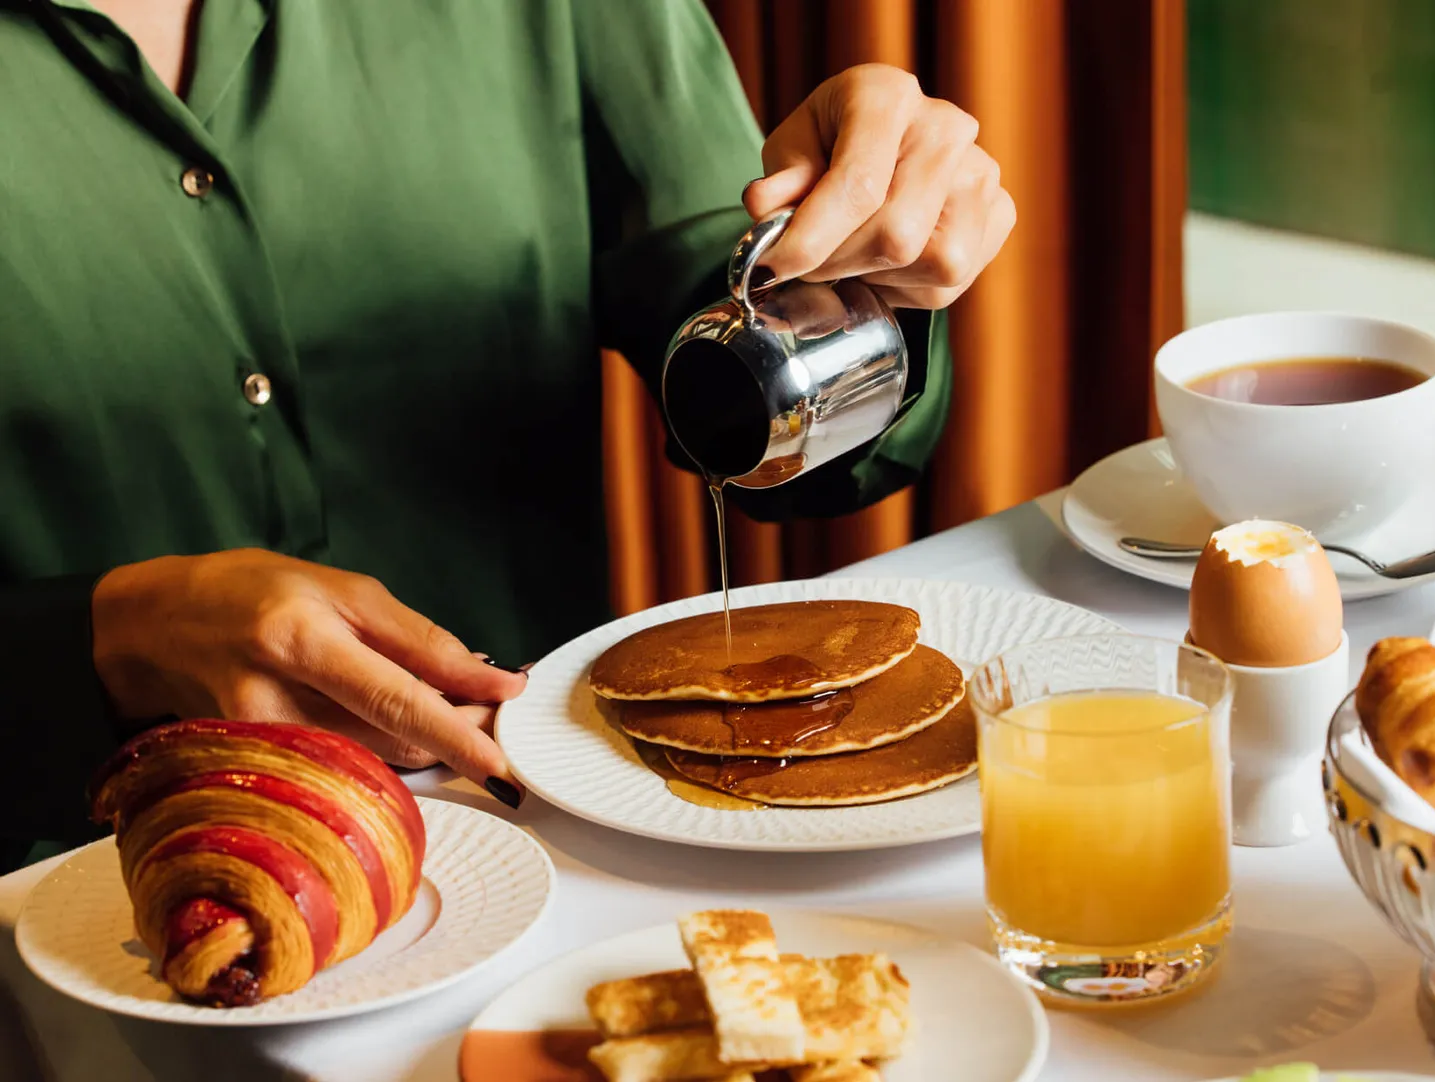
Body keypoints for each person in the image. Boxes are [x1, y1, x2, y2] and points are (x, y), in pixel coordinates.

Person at [0, 0, 1014, 867]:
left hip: (573, 828)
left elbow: (744, 351)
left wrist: (867, 259)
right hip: (77, 889)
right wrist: (103, 640)